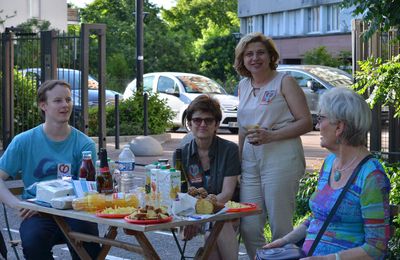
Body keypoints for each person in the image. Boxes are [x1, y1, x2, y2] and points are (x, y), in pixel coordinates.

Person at [263, 87, 391, 258]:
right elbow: (318, 217)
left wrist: (327, 259)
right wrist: (285, 241)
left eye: (321, 118)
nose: (316, 125)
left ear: (339, 127)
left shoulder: (371, 176)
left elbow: (376, 248)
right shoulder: (330, 163)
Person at [0, 80, 100, 259]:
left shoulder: (84, 144)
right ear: (43, 105)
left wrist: (47, 203)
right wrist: (17, 204)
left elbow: (87, 191)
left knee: (88, 241)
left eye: (68, 100)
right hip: (38, 215)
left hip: (74, 212)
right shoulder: (23, 141)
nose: (65, 105)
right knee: (33, 241)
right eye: (58, 100)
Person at [234, 32, 313, 258]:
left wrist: (273, 135)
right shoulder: (243, 85)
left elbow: (307, 122)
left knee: (280, 225)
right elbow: (242, 128)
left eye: (260, 52)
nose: (255, 58)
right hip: (251, 160)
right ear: (242, 59)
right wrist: (239, 163)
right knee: (249, 226)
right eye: (249, 54)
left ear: (271, 56)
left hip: (281, 157)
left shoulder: (284, 81)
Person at [178, 94, 241, 260]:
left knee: (215, 231)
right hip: (192, 214)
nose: (203, 124)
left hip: (225, 212)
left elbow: (227, 194)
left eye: (209, 120)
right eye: (197, 120)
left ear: (217, 124)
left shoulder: (230, 150)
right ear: (189, 123)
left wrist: (203, 216)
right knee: (213, 235)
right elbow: (179, 193)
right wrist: (195, 217)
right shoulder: (181, 153)